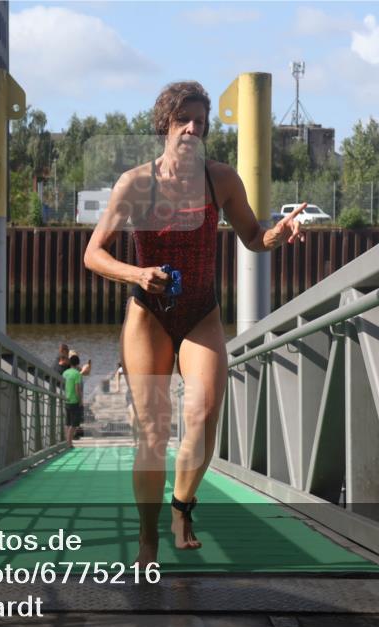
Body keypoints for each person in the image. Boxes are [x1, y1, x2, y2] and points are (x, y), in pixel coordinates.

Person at [83, 80, 305, 566]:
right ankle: (147, 536)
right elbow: (93, 254)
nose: (192, 128)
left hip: (201, 311)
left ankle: (182, 507)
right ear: (165, 123)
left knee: (203, 418)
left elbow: (253, 236)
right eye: (184, 119)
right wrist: (139, 272)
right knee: (153, 434)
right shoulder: (135, 183)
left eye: (200, 123)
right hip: (148, 314)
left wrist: (278, 233)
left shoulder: (219, 179)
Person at [62, 355, 85, 447]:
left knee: (67, 422)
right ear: (78, 363)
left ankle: (66, 441)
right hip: (74, 400)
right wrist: (80, 400)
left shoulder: (65, 373)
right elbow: (77, 389)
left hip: (66, 399)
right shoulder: (77, 374)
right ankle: (69, 442)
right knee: (74, 423)